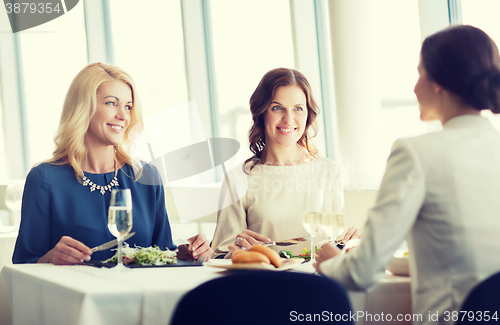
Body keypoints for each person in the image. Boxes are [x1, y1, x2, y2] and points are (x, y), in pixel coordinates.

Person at [315, 25, 500, 325]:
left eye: (420, 73)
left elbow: (362, 272)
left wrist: (331, 262)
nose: (414, 87)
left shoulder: (416, 153)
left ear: (439, 81)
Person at [12, 62, 213, 265]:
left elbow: (162, 251)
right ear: (83, 107)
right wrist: (50, 258)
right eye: (111, 103)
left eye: (128, 106)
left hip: (140, 294)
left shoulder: (145, 175)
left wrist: (186, 252)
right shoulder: (45, 179)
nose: (123, 116)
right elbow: (24, 262)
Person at [211, 68, 359, 259]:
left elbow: (337, 244)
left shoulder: (329, 171)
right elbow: (219, 256)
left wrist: (352, 244)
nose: (288, 119)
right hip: (264, 283)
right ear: (262, 112)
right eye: (277, 108)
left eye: (298, 108)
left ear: (308, 114)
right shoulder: (238, 179)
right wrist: (237, 253)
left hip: (316, 282)